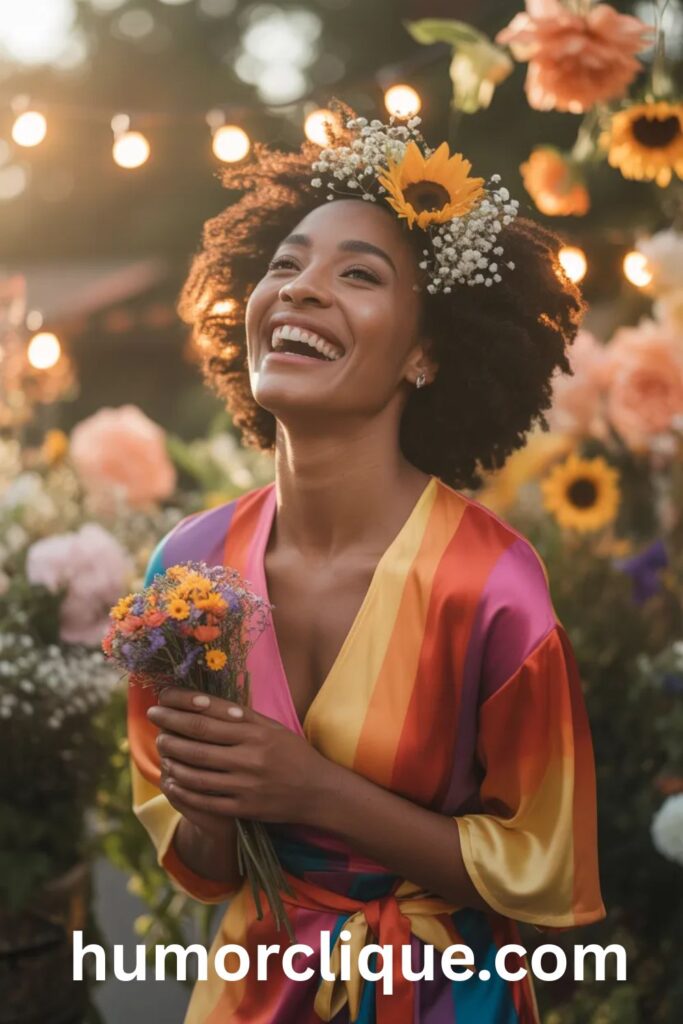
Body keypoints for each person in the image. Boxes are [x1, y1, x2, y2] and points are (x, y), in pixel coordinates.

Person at [128, 109, 606, 1023]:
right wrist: (215, 805)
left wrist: (312, 790)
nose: (301, 289)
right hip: (252, 995)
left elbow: (545, 876)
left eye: (358, 275)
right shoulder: (185, 566)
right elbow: (203, 868)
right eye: (285, 264)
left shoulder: (491, 584)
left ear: (425, 354)